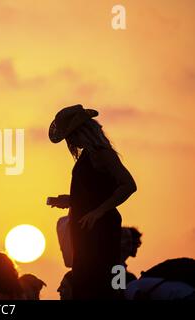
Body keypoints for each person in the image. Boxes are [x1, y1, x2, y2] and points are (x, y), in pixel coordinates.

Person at [48, 104, 137, 300]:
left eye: (71, 135)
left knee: (101, 283)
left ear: (82, 132)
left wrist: (99, 211)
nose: (70, 141)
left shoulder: (102, 153)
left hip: (101, 230)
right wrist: (70, 200)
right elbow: (96, 193)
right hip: (85, 231)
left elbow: (128, 185)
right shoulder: (88, 156)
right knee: (85, 282)